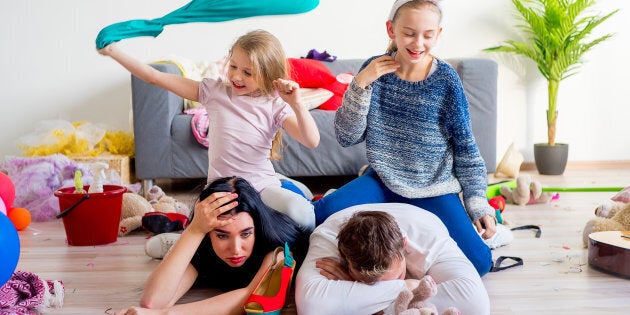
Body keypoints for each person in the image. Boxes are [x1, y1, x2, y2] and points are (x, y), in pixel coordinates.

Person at [312, 0, 496, 275]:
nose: (418, 43)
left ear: (438, 33)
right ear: (391, 30)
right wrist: (360, 84)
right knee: (323, 214)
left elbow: (466, 149)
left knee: (479, 263)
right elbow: (346, 137)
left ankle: (395, 254)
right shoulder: (372, 71)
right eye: (409, 33)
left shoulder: (446, 81)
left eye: (428, 35)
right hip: (383, 179)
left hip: (433, 187)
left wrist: (478, 203)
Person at [98, 29, 320, 232]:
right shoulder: (213, 91)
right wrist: (113, 51)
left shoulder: (274, 105)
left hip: (261, 186)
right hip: (222, 190)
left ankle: (285, 185)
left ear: (268, 75)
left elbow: (311, 141)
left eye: (247, 72)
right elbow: (153, 77)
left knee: (304, 217)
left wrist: (297, 104)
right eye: (233, 66)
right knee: (197, 237)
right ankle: (286, 187)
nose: (236, 76)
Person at [114, 176, 308, 315]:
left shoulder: (275, 245)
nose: (236, 249)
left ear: (256, 228)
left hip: (288, 190)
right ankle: (179, 239)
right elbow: (152, 301)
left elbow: (251, 295)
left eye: (246, 234)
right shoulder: (204, 240)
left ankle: (173, 242)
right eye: (222, 236)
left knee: (304, 209)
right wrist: (194, 231)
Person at [295, 203, 490, 315]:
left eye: (397, 276)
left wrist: (356, 293)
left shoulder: (429, 239)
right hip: (347, 211)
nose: (385, 286)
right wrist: (410, 285)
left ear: (404, 244)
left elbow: (477, 303)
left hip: (420, 214)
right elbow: (311, 306)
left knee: (481, 260)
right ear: (343, 259)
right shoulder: (327, 237)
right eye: (369, 284)